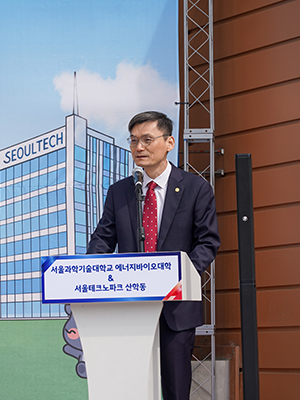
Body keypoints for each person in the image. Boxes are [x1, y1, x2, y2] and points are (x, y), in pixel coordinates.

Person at [87, 111, 220, 400]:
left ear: (169, 142)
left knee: (175, 389)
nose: (139, 147)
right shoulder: (120, 191)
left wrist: (180, 276)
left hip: (176, 309)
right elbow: (103, 239)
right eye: (133, 141)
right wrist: (90, 270)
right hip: (130, 308)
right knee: (130, 388)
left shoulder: (195, 188)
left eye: (147, 140)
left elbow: (207, 242)